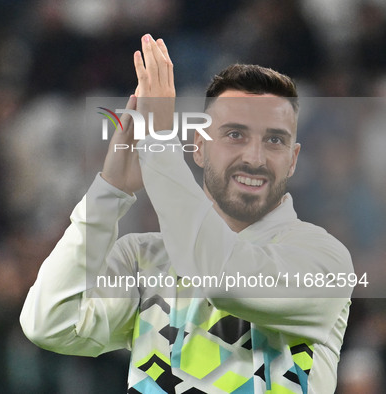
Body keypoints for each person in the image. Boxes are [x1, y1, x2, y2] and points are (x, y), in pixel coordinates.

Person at [20, 34, 353, 393]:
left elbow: (222, 279)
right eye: (235, 135)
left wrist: (159, 146)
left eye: (274, 140)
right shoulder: (144, 258)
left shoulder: (323, 259)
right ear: (198, 147)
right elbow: (50, 323)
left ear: (293, 159)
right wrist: (110, 190)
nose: (255, 158)